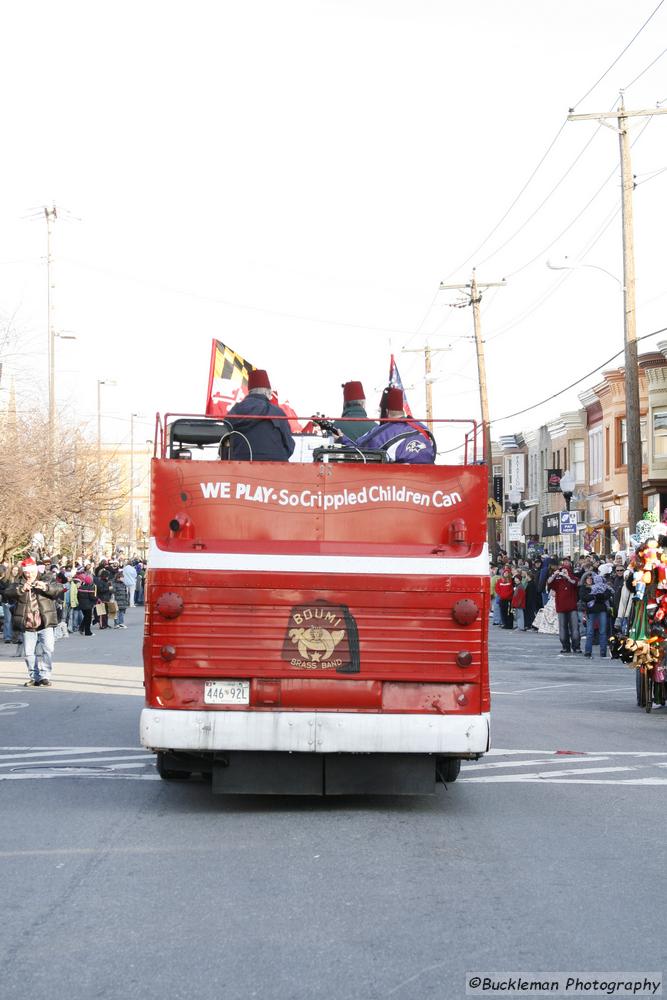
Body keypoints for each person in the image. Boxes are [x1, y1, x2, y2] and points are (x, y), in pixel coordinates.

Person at [334, 387, 435, 463]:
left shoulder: (383, 432)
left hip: (396, 484)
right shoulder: (424, 429)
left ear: (386, 411)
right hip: (428, 481)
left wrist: (341, 438)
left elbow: (359, 451)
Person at [4, 557, 62, 686]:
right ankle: (34, 676)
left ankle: (45, 675)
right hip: (27, 623)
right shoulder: (19, 582)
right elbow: (7, 592)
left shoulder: (47, 578)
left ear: (36, 570)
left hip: (45, 622)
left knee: (48, 649)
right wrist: (21, 589)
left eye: (31, 572)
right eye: (26, 572)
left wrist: (45, 587)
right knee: (29, 653)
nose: (29, 575)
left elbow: (59, 589)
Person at [224, 369, 295, 461]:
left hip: (238, 468)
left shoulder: (234, 411)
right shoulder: (277, 412)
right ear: (266, 392)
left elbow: (224, 443)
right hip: (275, 468)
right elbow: (289, 445)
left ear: (250, 391)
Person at [547, 558, 582, 656]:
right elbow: (549, 582)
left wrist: (567, 576)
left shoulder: (573, 578)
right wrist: (554, 574)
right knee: (562, 629)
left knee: (575, 628)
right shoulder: (557, 580)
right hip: (561, 608)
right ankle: (565, 646)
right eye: (563, 570)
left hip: (572, 608)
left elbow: (576, 583)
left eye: (565, 570)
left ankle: (576, 646)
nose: (564, 572)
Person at [579, 572, 613, 658]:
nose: (590, 580)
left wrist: (596, 596)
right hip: (591, 611)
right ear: (585, 579)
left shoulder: (601, 585)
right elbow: (584, 597)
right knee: (590, 632)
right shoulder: (584, 588)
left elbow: (607, 594)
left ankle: (603, 652)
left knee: (603, 632)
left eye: (591, 578)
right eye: (588, 578)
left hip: (602, 610)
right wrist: (595, 597)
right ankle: (588, 651)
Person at [75, 572, 96, 637]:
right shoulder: (90, 588)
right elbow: (92, 597)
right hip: (88, 605)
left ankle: (81, 628)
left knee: (86, 617)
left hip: (82, 605)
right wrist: (97, 599)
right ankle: (88, 632)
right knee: (88, 618)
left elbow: (78, 596)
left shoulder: (80, 588)